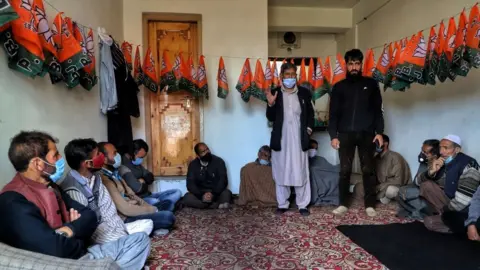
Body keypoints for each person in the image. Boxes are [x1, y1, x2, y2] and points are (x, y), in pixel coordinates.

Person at [0, 131, 150, 269]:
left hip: (82, 252)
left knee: (140, 240)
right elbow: (56, 250)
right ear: (38, 164)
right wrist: (76, 230)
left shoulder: (52, 186)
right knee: (108, 265)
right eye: (56, 155)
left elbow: (89, 216)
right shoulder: (13, 200)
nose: (60, 159)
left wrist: (69, 229)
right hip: (65, 264)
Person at [62, 138, 152, 244]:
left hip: (113, 227)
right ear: (88, 163)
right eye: (98, 154)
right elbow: (88, 226)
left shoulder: (95, 177)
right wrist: (120, 237)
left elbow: (109, 211)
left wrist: (121, 231)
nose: (102, 157)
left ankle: (124, 244)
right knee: (138, 241)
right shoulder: (73, 189)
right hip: (97, 234)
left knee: (148, 224)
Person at [328, 49, 384, 217]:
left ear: (361, 65)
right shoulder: (339, 87)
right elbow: (333, 114)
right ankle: (343, 203)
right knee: (344, 170)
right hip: (345, 134)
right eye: (351, 63)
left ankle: (370, 205)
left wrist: (380, 132)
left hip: (367, 134)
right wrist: (333, 136)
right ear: (346, 65)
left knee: (368, 170)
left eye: (357, 63)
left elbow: (377, 111)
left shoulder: (371, 85)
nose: (354, 67)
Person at [265, 62, 315, 216]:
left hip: (299, 137)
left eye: (293, 75)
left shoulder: (304, 93)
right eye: (287, 75)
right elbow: (270, 117)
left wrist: (308, 130)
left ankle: (302, 205)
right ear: (281, 76)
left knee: (300, 169)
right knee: (281, 170)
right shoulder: (275, 93)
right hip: (281, 138)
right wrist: (271, 104)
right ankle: (282, 204)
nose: (290, 78)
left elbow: (311, 115)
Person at [97, 142, 176, 233]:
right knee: (168, 217)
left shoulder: (114, 173)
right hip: (126, 217)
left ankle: (154, 224)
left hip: (135, 206)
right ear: (104, 159)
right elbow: (126, 208)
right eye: (114, 153)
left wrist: (150, 208)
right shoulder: (105, 179)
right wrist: (153, 210)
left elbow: (133, 193)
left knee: (168, 204)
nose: (118, 155)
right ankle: (152, 225)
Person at [418, 135, 480, 232]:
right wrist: (431, 172)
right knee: (426, 185)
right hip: (450, 205)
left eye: (446, 148)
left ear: (457, 149)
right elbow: (417, 182)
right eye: (440, 148)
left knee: (429, 222)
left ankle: (467, 227)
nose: (442, 152)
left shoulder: (469, 165)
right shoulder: (442, 161)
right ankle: (448, 220)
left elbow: (462, 202)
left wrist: (446, 211)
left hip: (466, 211)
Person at [121, 139, 182, 208]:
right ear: (133, 153)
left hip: (149, 194)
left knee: (177, 192)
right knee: (155, 201)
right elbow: (138, 189)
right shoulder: (124, 167)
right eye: (140, 157)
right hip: (139, 199)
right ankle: (167, 204)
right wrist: (143, 182)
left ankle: (166, 205)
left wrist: (142, 180)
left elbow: (150, 177)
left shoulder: (136, 163)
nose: (141, 159)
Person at [355, 134, 411, 204]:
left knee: (391, 190)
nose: (375, 145)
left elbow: (399, 181)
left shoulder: (396, 157)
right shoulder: (376, 158)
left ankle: (384, 198)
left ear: (386, 143)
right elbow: (371, 176)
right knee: (359, 186)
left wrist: (380, 187)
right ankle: (378, 199)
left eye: (377, 143)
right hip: (379, 186)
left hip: (393, 186)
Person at [397, 139, 440, 219]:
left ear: (435, 155)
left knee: (405, 193)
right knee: (401, 192)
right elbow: (415, 182)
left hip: (429, 196)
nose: (422, 154)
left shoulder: (439, 165)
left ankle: (424, 213)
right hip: (419, 190)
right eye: (422, 151)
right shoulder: (425, 162)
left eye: (425, 153)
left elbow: (431, 189)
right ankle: (417, 212)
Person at [183, 143, 232, 209]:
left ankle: (204, 205)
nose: (207, 152)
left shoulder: (219, 161)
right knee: (187, 197)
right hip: (200, 193)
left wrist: (213, 194)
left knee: (227, 193)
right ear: (198, 155)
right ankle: (215, 205)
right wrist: (201, 196)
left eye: (207, 149)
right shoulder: (193, 165)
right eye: (203, 152)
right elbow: (190, 184)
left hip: (216, 192)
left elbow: (223, 181)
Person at [308, 139, 340, 206]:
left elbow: (329, 167)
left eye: (315, 148)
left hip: (326, 176)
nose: (314, 150)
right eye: (311, 148)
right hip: (317, 178)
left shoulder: (320, 158)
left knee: (337, 175)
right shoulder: (303, 160)